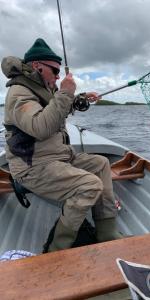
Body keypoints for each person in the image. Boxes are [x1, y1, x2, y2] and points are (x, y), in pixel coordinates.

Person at [1, 38, 122, 252]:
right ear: (37, 66)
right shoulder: (19, 93)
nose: (58, 77)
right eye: (55, 71)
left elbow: (55, 106)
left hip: (58, 158)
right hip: (33, 168)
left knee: (101, 163)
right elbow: (41, 126)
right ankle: (57, 248)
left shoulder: (42, 87)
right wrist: (66, 92)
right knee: (89, 185)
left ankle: (107, 231)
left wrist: (79, 98)